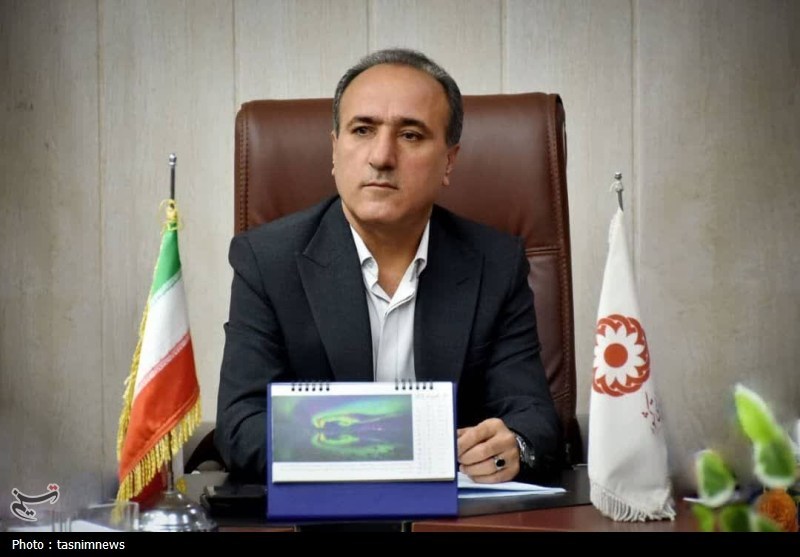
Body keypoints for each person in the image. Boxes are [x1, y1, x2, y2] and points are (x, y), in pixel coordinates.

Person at [215, 48, 562, 485]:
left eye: (411, 135)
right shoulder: (268, 261)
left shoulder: (495, 264)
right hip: (321, 511)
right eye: (362, 130)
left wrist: (513, 446)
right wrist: (387, 446)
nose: (381, 156)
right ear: (334, 150)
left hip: (452, 513)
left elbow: (533, 418)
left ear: (449, 161)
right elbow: (240, 425)